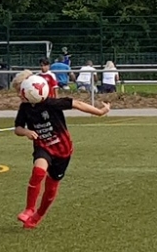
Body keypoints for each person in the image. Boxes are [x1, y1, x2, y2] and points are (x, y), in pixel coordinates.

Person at [11, 69, 110, 229]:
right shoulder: (25, 108)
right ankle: (29, 209)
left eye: (19, 90)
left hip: (62, 150)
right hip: (43, 147)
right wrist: (26, 132)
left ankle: (38, 215)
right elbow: (17, 128)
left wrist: (100, 112)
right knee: (38, 172)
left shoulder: (51, 103)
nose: (19, 95)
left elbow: (77, 104)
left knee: (51, 187)